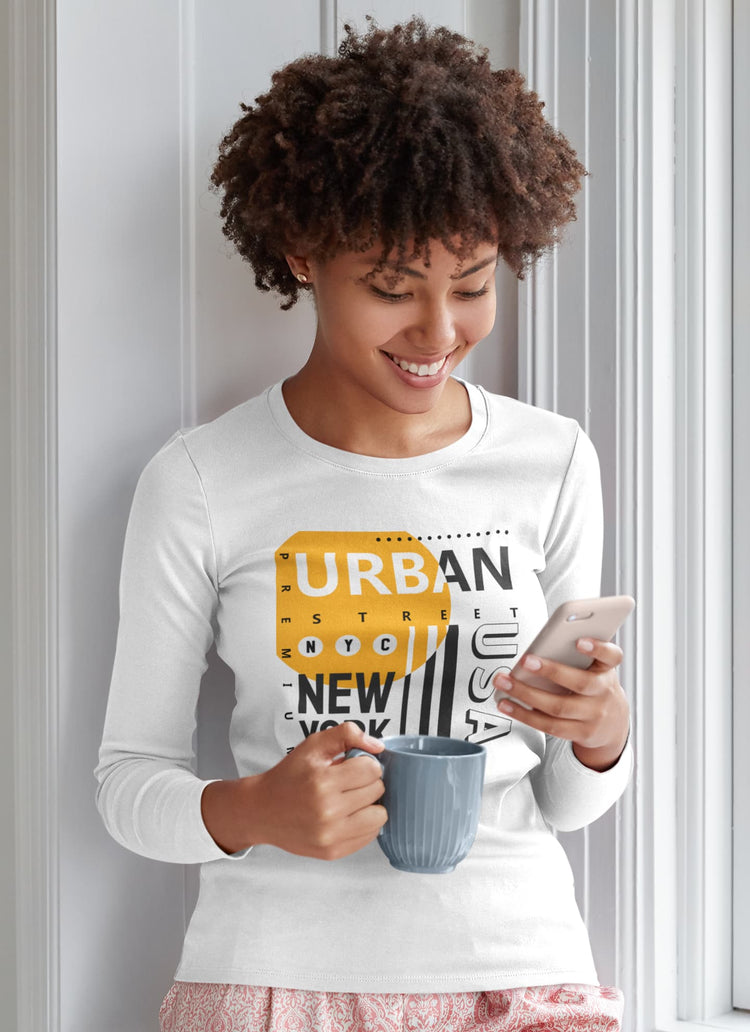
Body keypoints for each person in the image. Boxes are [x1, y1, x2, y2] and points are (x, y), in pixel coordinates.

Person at [95, 17, 632, 1032]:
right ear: (303, 254)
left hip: (517, 975)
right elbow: (129, 785)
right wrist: (254, 811)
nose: (439, 335)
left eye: (472, 288)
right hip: (273, 980)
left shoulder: (552, 460)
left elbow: (565, 803)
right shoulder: (204, 479)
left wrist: (605, 738)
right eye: (393, 290)